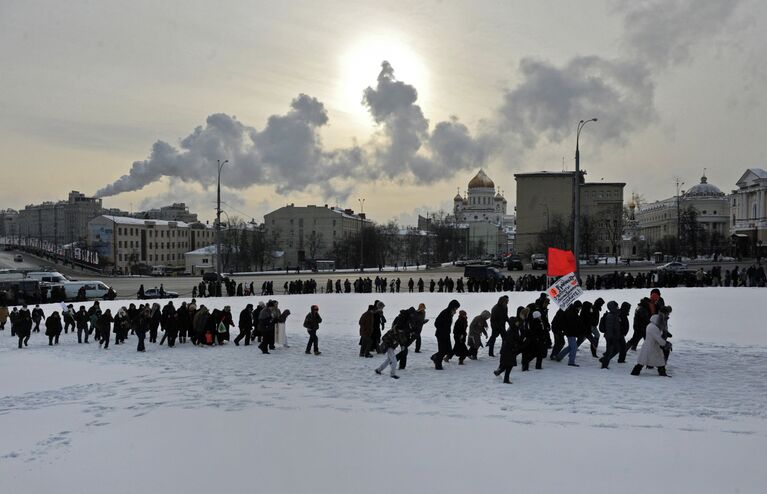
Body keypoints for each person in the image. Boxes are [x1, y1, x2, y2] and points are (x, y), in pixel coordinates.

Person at [631, 312, 671, 377]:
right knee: (659, 360)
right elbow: (658, 338)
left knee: (643, 361)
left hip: (650, 346)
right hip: (652, 346)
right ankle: (662, 373)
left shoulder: (651, 325)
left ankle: (635, 372)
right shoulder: (654, 328)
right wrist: (665, 343)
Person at [494, 307, 526, 383]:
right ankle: (505, 379)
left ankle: (499, 372)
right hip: (509, 351)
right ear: (513, 323)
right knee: (509, 365)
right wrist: (515, 347)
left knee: (507, 364)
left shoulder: (513, 329)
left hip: (508, 351)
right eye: (516, 322)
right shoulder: (512, 331)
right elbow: (510, 341)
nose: (518, 323)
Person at [431, 299, 460, 370]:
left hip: (446, 334)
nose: (456, 309)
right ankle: (438, 365)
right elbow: (436, 323)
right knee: (442, 350)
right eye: (456, 307)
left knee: (448, 350)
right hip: (441, 335)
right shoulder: (445, 313)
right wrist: (442, 330)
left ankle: (435, 357)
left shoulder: (450, 313)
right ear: (453, 306)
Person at [598, 301, 622, 369]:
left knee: (616, 349)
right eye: (616, 306)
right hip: (610, 337)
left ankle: (604, 360)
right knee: (609, 351)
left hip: (614, 336)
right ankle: (604, 366)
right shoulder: (610, 316)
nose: (618, 307)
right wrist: (610, 337)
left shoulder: (615, 315)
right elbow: (609, 328)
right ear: (613, 307)